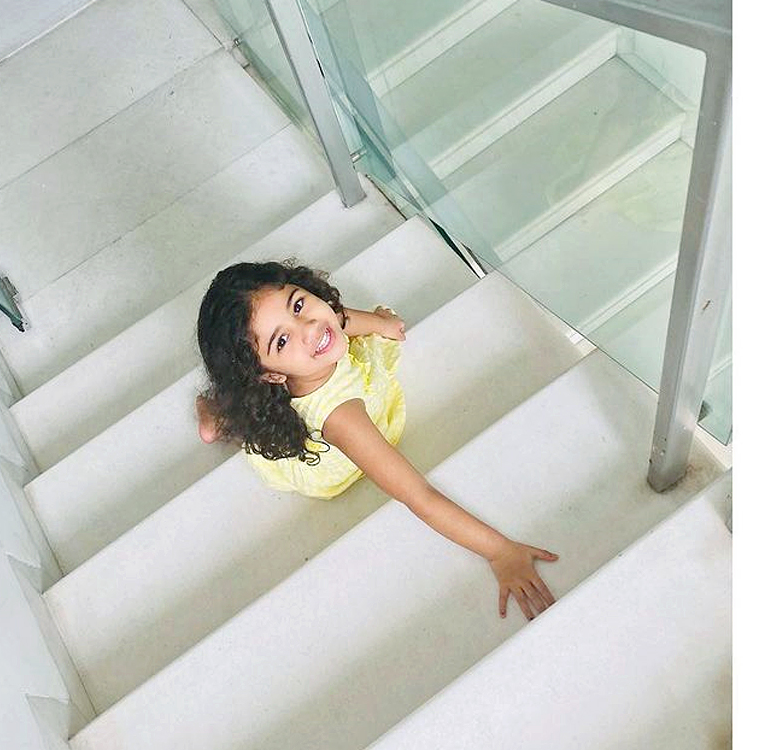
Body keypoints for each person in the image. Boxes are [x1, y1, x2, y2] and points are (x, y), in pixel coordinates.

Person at [195, 259, 559, 621]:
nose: (309, 327)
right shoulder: (342, 418)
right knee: (249, 416)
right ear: (273, 375)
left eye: (298, 304)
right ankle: (216, 416)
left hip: (305, 385)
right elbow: (418, 496)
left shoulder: (318, 333)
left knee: (258, 394)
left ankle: (225, 406)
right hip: (335, 462)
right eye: (282, 340)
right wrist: (499, 552)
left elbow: (338, 319)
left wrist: (380, 324)